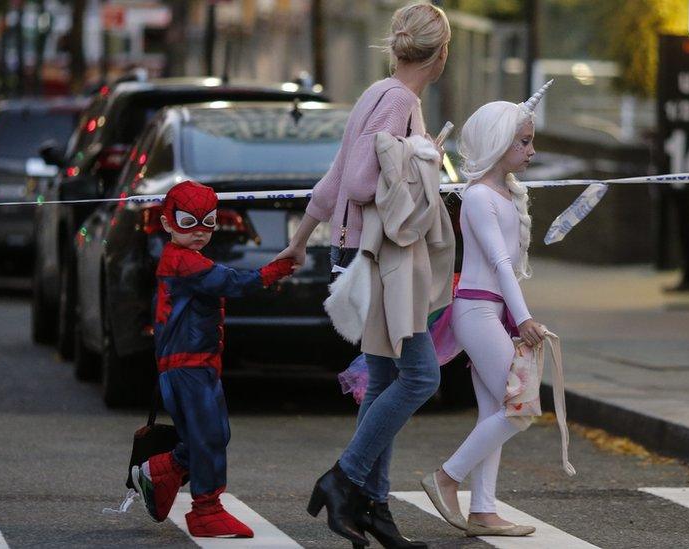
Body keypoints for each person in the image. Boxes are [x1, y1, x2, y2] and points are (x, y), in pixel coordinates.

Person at [276, 3, 452, 548]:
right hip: (382, 261)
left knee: (381, 381)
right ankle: (344, 479)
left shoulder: (377, 93)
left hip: (358, 252)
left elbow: (332, 180)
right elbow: (356, 181)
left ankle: (375, 511)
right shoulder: (399, 101)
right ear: (440, 53)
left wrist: (300, 239)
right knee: (421, 377)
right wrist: (419, 157)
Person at [419, 83, 554, 538]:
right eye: (524, 141)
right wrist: (525, 318)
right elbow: (498, 264)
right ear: (499, 143)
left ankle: (483, 510)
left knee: (497, 408)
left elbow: (508, 268)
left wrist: (516, 316)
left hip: (488, 312)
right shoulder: (478, 197)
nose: (532, 149)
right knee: (521, 406)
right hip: (477, 312)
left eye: (531, 140)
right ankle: (446, 477)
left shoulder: (504, 195)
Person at [131, 180, 296, 538]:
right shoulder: (182, 262)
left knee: (213, 434)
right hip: (187, 367)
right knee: (208, 436)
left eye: (208, 222)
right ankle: (206, 509)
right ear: (168, 222)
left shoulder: (187, 259)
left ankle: (161, 471)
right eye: (189, 222)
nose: (200, 232)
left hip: (197, 365)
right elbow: (232, 283)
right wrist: (274, 270)